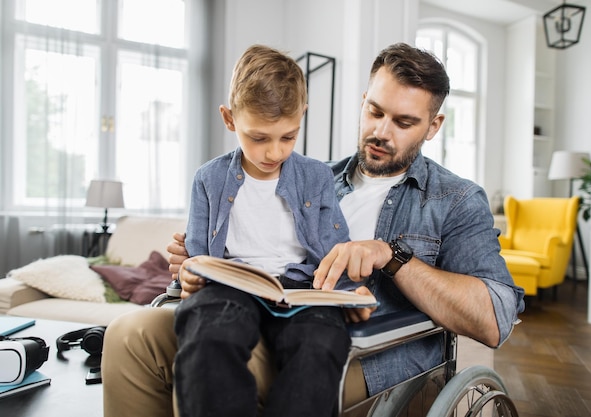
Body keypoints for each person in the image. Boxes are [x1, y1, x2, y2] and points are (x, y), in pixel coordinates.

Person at [101, 42, 525, 417]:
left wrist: (391, 256)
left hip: (366, 353)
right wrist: (201, 262)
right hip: (258, 313)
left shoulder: (455, 199)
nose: (380, 131)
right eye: (374, 111)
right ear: (362, 101)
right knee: (129, 335)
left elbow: (494, 317)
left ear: (433, 126)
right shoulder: (311, 176)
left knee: (225, 362)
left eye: (403, 122)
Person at [170, 44, 364, 417]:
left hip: (301, 289)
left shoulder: (317, 176)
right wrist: (189, 274)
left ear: (302, 117)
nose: (274, 152)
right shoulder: (208, 179)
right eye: (259, 138)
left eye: (288, 137)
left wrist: (349, 293)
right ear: (230, 119)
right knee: (208, 336)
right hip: (230, 285)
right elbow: (196, 257)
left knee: (322, 343)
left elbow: (335, 247)